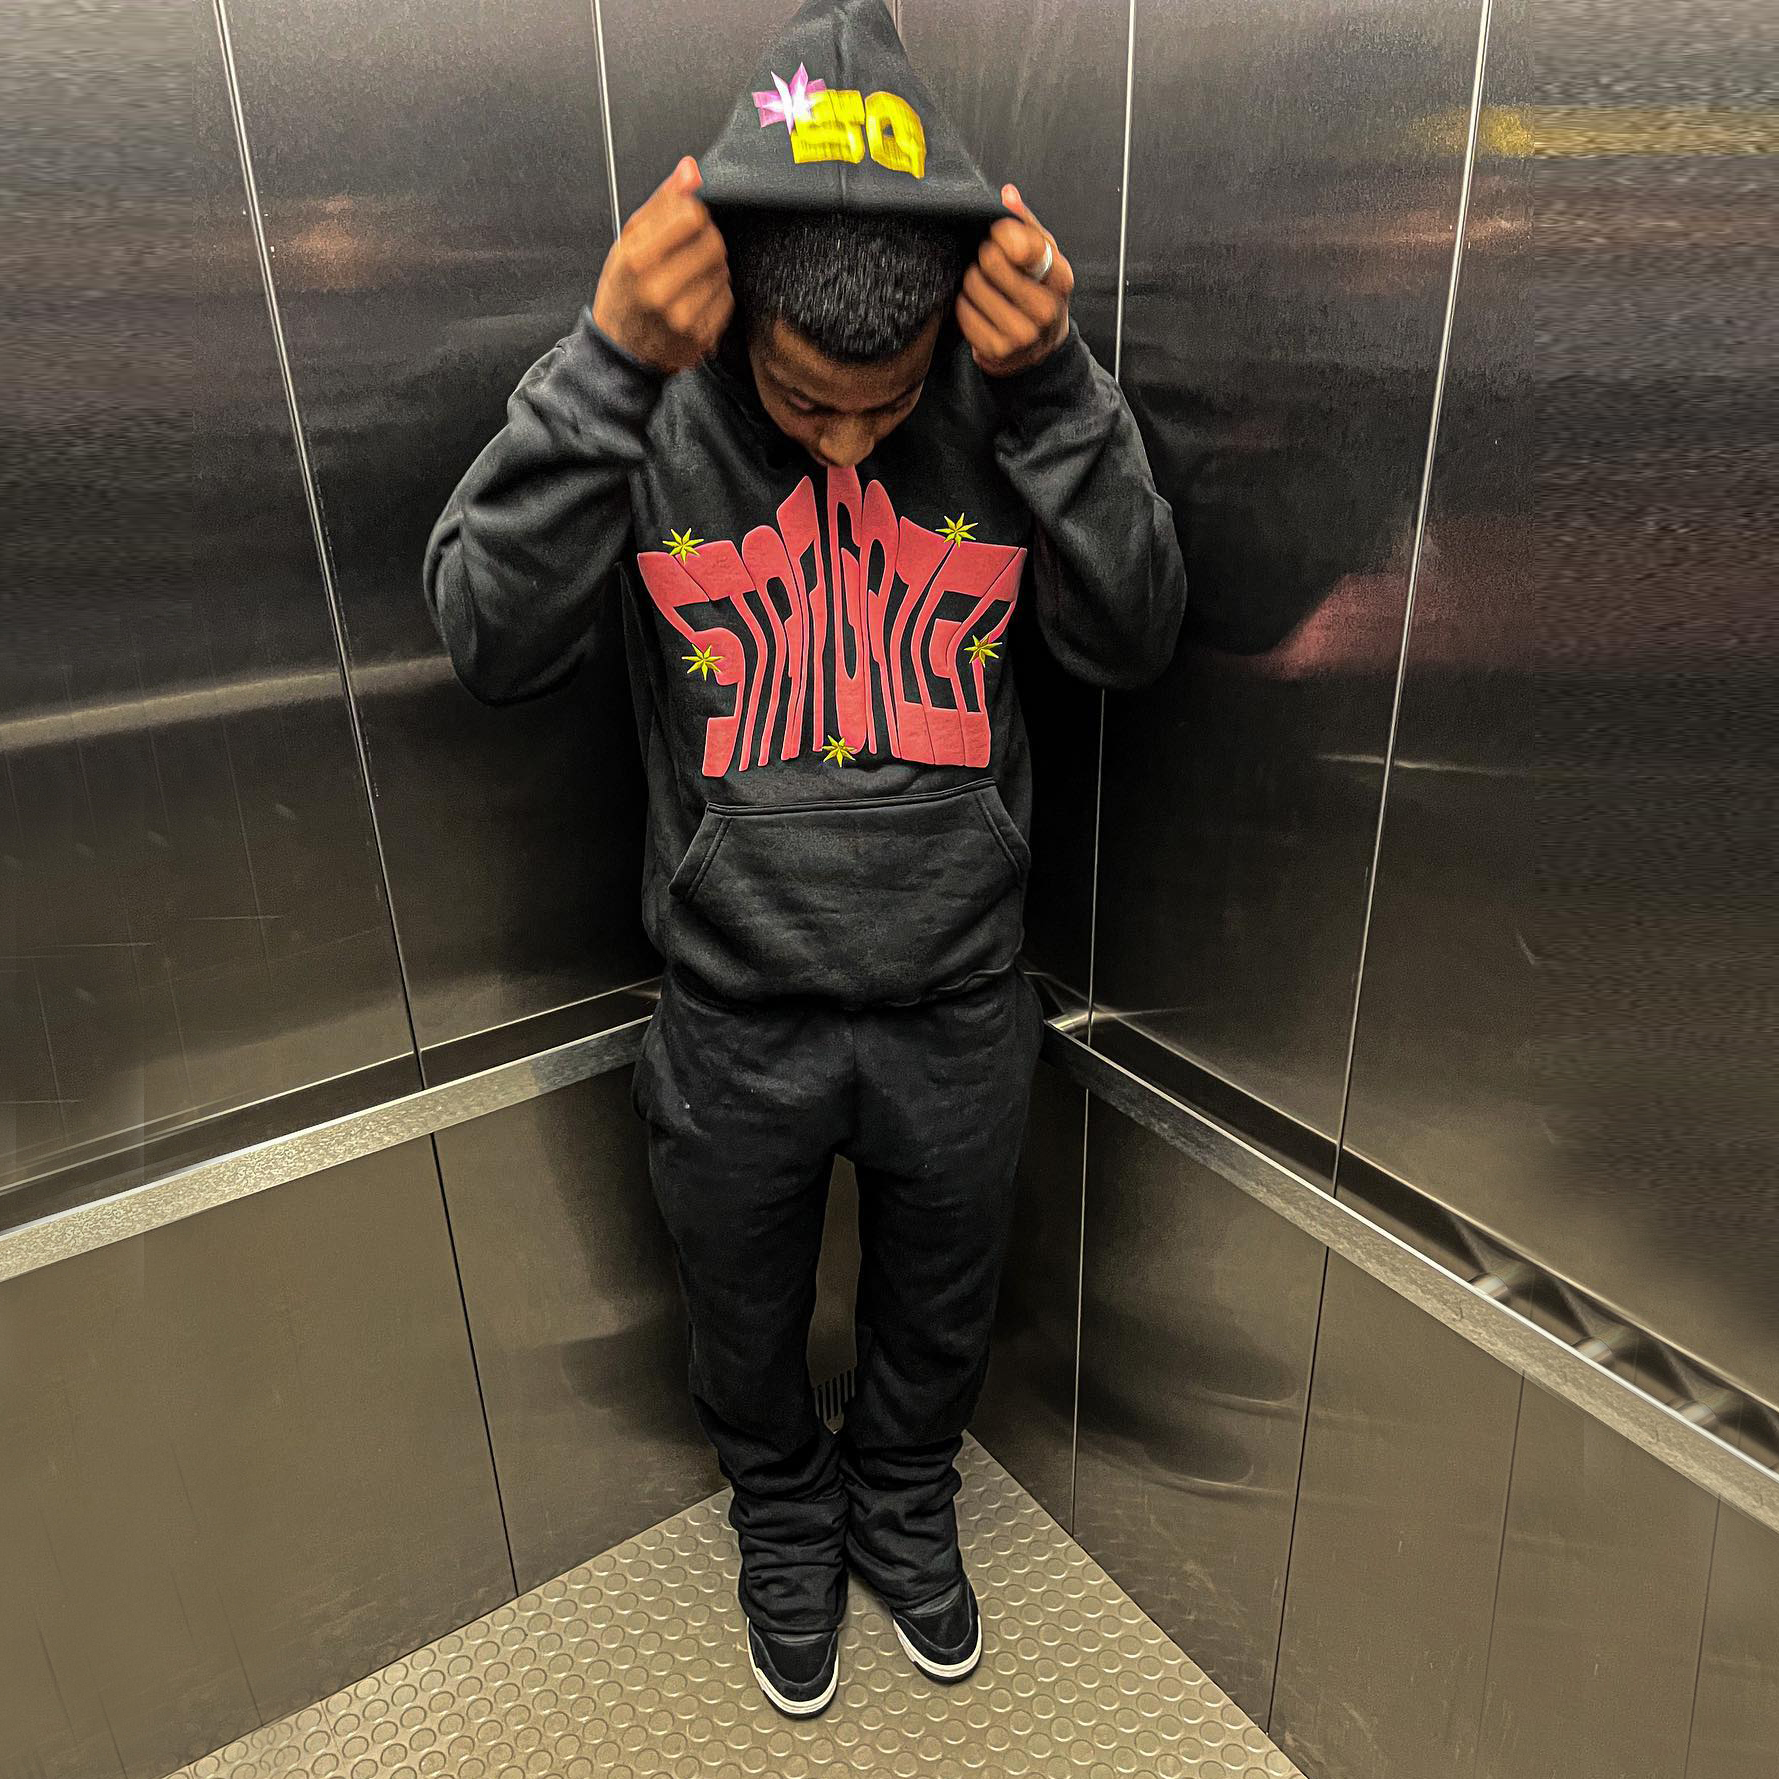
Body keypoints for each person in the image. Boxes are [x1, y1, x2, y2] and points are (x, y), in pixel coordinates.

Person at [424, 0, 1184, 1720]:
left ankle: (904, 1501)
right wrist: (608, 364)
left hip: (960, 998)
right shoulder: (650, 405)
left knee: (942, 1309)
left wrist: (1053, 387)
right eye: (802, 401)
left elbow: (1135, 632)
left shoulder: (1006, 400)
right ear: (731, 322)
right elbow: (484, 634)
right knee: (740, 1314)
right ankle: (782, 1510)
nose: (847, 440)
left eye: (886, 404)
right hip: (730, 1009)